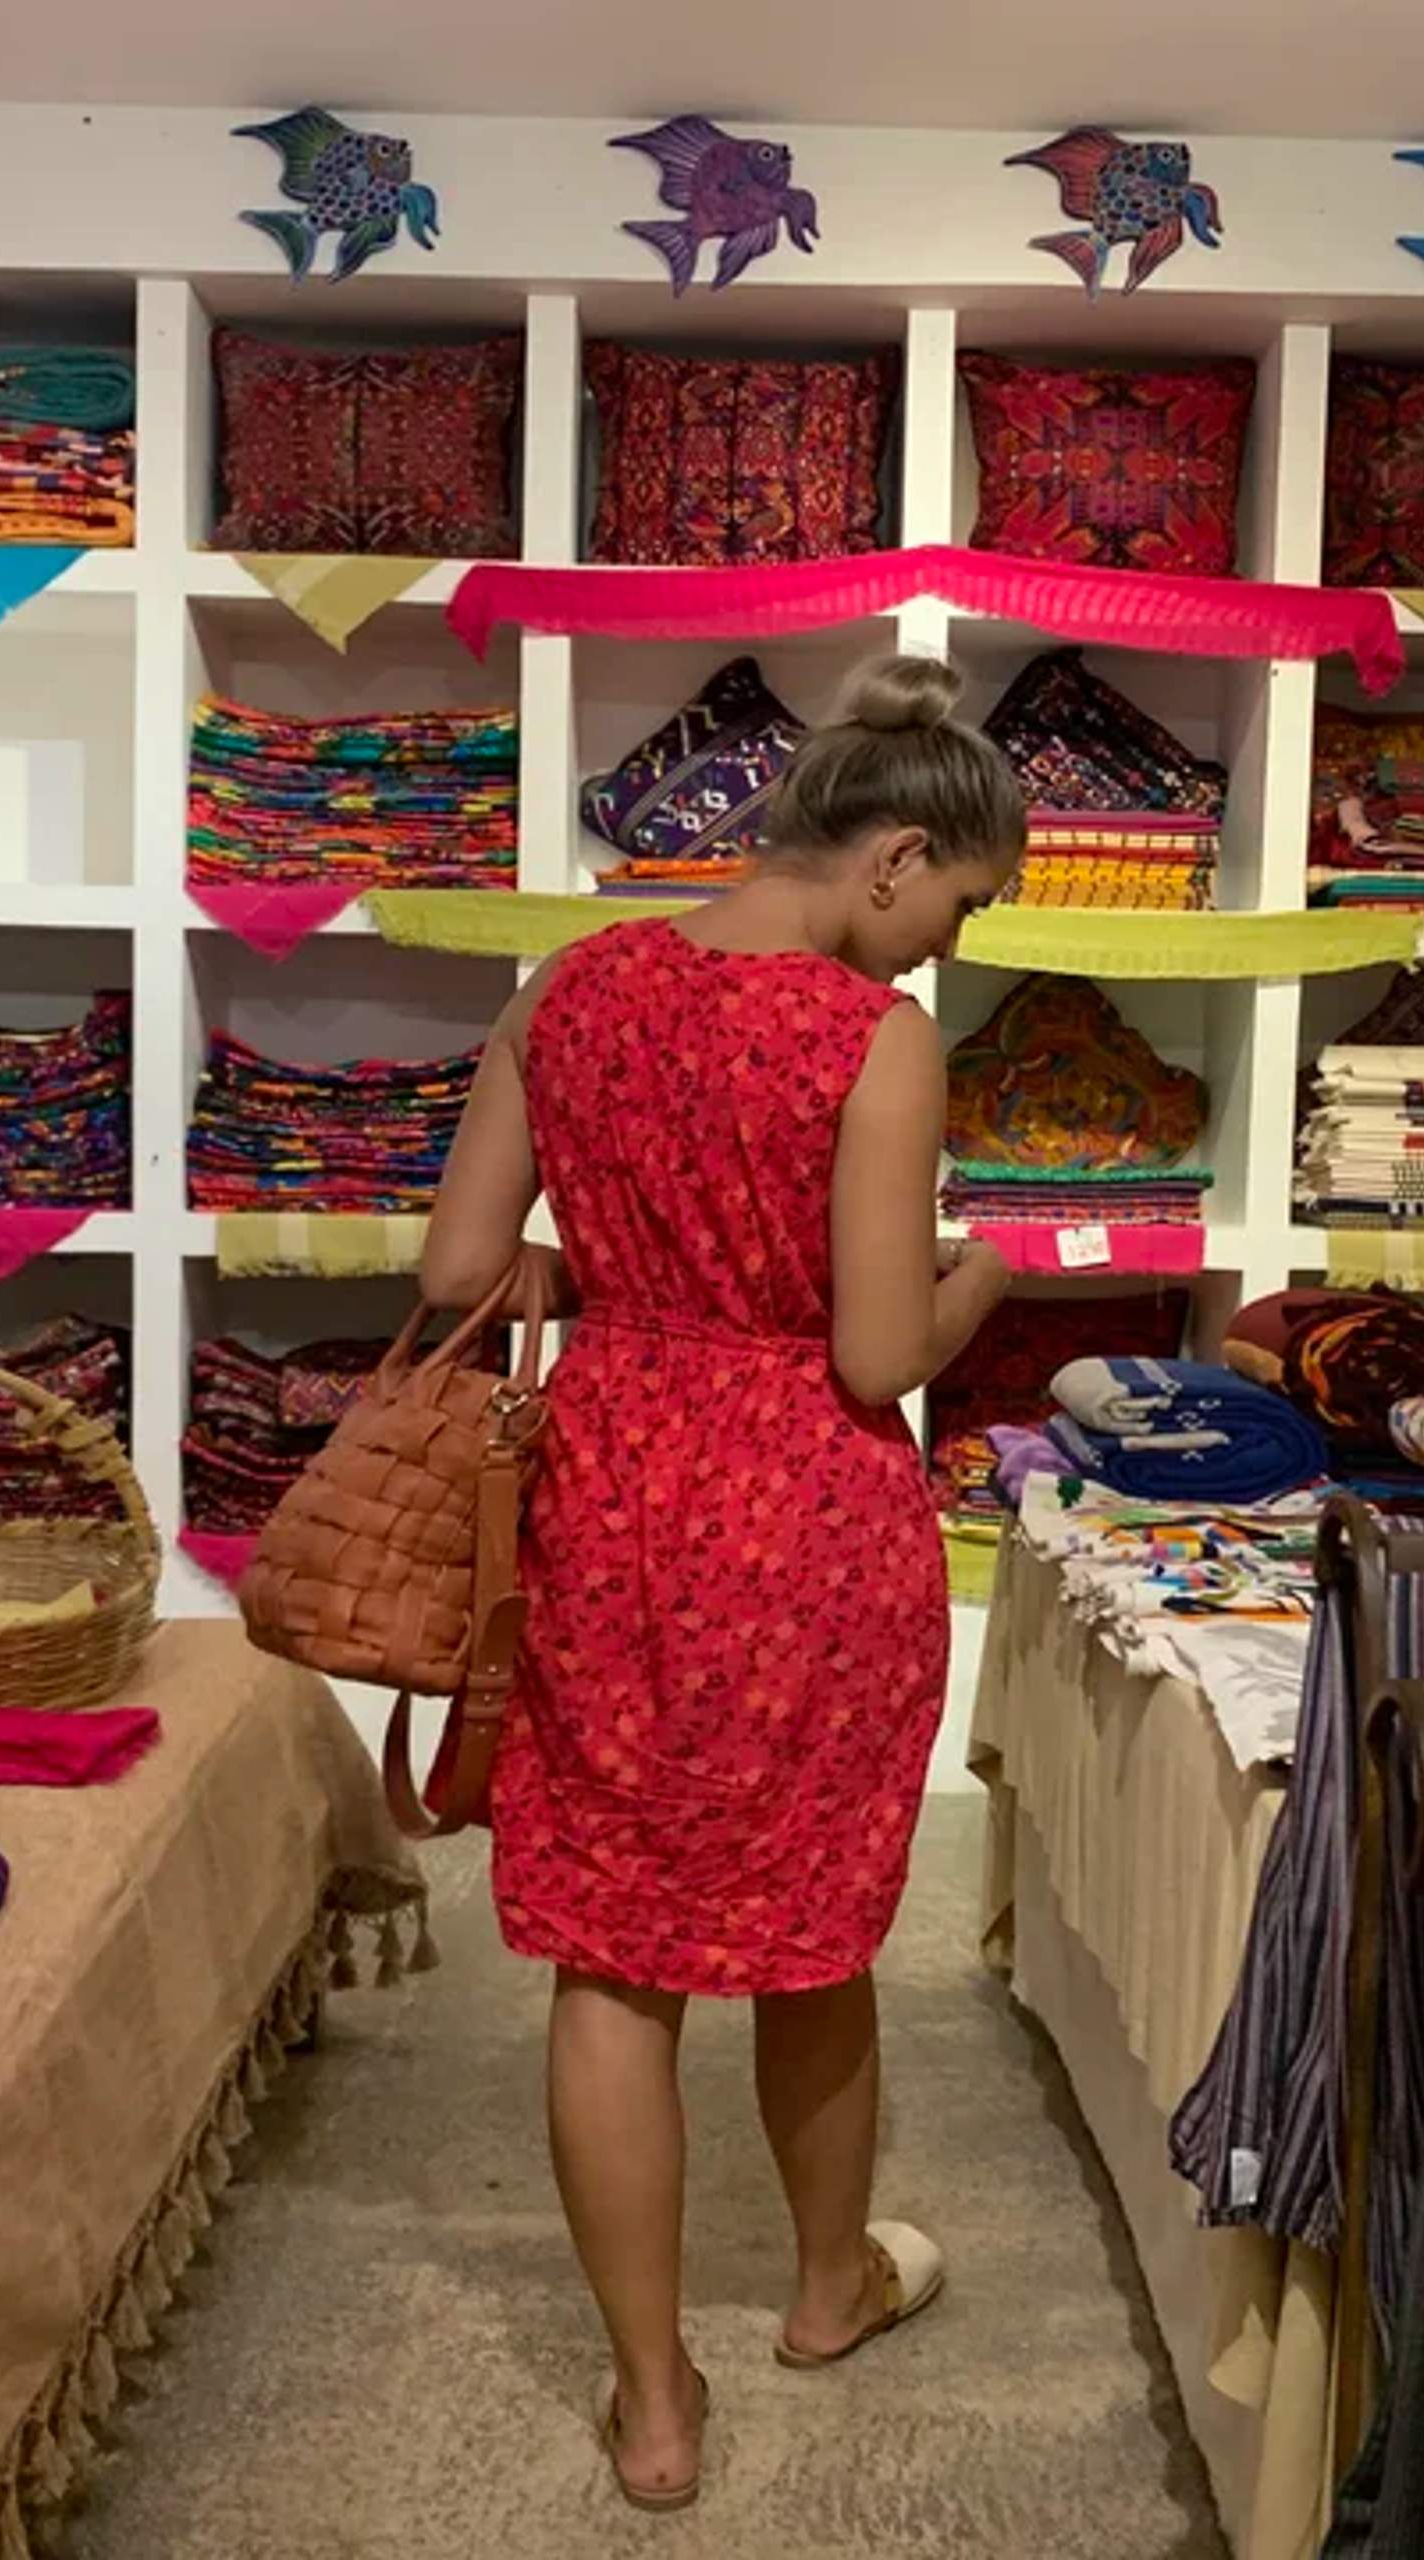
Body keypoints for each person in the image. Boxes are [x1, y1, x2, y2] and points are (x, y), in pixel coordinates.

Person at [417, 654, 1024, 2511]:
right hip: (806, 1515)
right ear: (894, 854)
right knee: (813, 1922)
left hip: (611, 1490)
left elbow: (458, 1262)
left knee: (615, 1954)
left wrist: (587, 1282)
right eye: (951, 913)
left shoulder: (571, 986)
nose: (932, 957)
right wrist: (989, 1273)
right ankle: (830, 2288)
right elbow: (871, 1357)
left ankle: (651, 2399)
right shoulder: (871, 1039)